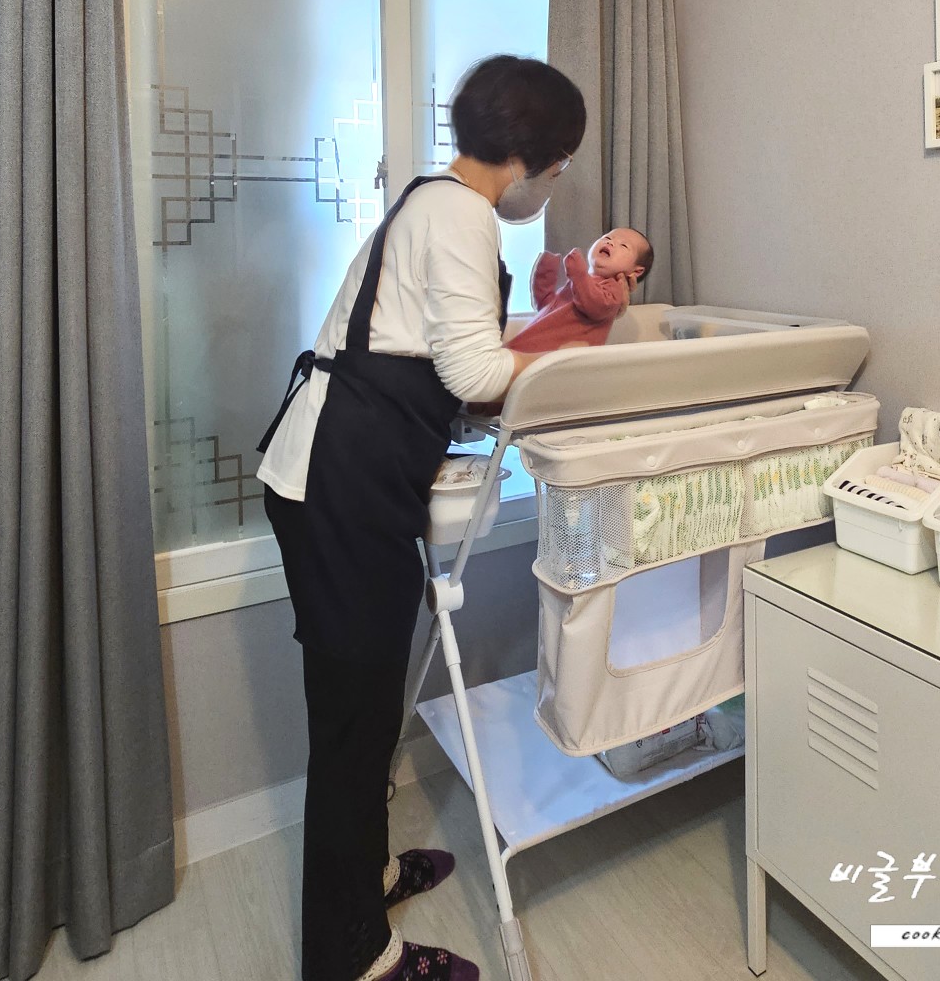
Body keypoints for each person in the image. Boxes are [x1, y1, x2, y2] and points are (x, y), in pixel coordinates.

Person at [255, 54, 586, 981]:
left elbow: (434, 360)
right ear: (531, 156)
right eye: (560, 164)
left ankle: (366, 879)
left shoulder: (433, 203)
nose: (555, 182)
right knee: (354, 724)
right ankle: (353, 955)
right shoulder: (459, 214)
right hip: (339, 484)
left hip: (339, 478)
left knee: (363, 709)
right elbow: (475, 372)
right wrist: (573, 359)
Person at [507, 228, 652, 353]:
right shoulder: (580, 284)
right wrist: (545, 275)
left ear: (636, 271)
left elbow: (596, 305)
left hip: (553, 361)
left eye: (624, 245)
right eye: (607, 238)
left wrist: (579, 274)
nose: (610, 242)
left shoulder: (613, 289)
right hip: (527, 348)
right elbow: (547, 308)